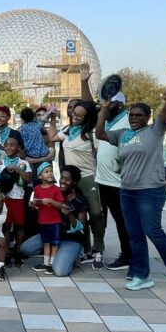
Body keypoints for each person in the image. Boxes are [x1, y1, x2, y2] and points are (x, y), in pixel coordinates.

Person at [96, 57, 166, 293]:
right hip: (127, 191)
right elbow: (99, 134)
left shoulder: (155, 131)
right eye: (133, 114)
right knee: (134, 233)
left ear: (147, 117)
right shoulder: (123, 134)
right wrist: (104, 110)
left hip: (151, 190)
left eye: (139, 115)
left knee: (152, 230)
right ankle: (141, 274)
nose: (135, 117)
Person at [78, 66, 132, 271]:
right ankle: (109, 251)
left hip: (119, 183)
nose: (104, 106)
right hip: (103, 181)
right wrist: (84, 82)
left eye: (108, 103)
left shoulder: (127, 121)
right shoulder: (105, 119)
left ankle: (128, 255)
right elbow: (89, 106)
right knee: (106, 218)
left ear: (118, 103)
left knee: (123, 221)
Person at [47, 98, 104, 267]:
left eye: (81, 115)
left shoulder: (91, 133)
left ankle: (98, 248)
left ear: (88, 117)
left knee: (95, 213)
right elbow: (52, 137)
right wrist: (52, 117)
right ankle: (85, 248)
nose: (76, 117)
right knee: (79, 214)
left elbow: (99, 155)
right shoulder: (69, 130)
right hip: (70, 179)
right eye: (74, 113)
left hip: (88, 177)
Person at [22, 165, 88, 276]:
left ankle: (73, 255)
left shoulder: (79, 199)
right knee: (25, 249)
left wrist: (70, 215)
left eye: (67, 179)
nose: (63, 181)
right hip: (51, 232)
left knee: (60, 271)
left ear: (74, 182)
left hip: (70, 239)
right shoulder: (54, 190)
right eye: (62, 178)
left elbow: (81, 229)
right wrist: (34, 206)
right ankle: (53, 254)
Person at [0, 137, 31, 267]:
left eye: (12, 145)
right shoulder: (0, 163)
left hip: (18, 198)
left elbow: (29, 179)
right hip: (4, 199)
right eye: (6, 145)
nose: (8, 148)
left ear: (18, 147)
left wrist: (18, 169)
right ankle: (6, 253)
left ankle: (18, 253)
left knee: (19, 226)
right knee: (6, 227)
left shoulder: (23, 162)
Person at [28, 163, 65, 275]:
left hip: (55, 221)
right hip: (42, 221)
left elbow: (61, 205)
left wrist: (50, 201)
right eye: (46, 171)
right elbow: (35, 205)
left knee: (54, 243)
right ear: (40, 176)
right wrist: (34, 204)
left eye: (51, 171)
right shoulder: (37, 188)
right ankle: (45, 263)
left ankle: (51, 264)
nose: (50, 173)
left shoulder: (56, 189)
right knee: (46, 242)